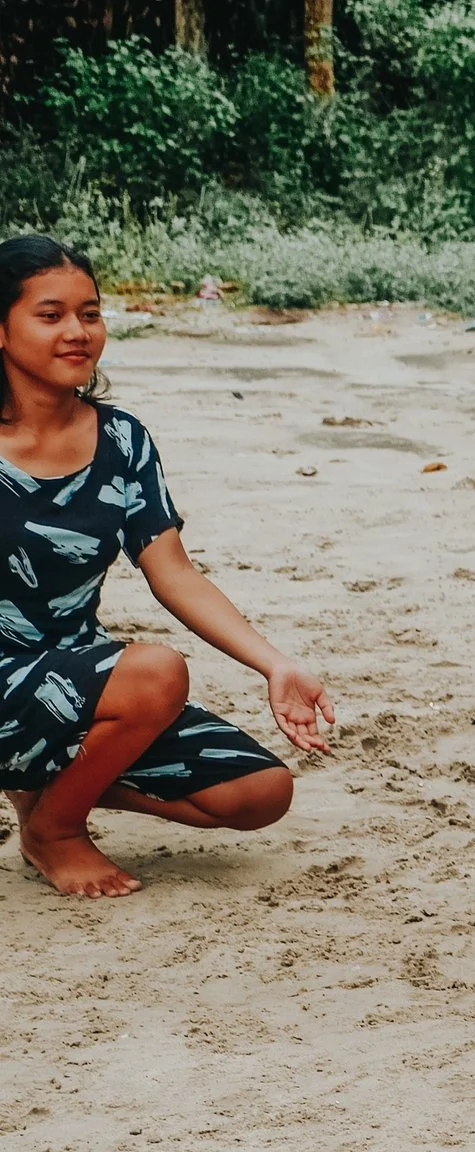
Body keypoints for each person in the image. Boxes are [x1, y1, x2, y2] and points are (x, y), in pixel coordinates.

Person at [0, 233, 326, 899]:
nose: (77, 332)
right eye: (51, 314)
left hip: (79, 681)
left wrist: (274, 664)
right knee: (155, 673)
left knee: (260, 791)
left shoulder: (121, 440)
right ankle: (55, 831)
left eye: (90, 314)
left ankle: (46, 791)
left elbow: (173, 572)